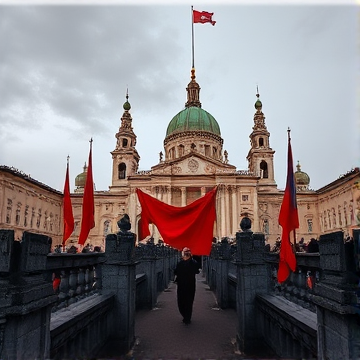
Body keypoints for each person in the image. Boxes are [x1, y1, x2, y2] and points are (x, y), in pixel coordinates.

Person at [174, 247, 200, 325]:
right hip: (184, 284)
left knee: (186, 301)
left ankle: (187, 317)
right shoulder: (181, 263)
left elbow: (197, 270)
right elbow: (175, 272)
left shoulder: (192, 262)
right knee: (185, 301)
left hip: (188, 285)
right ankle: (186, 316)